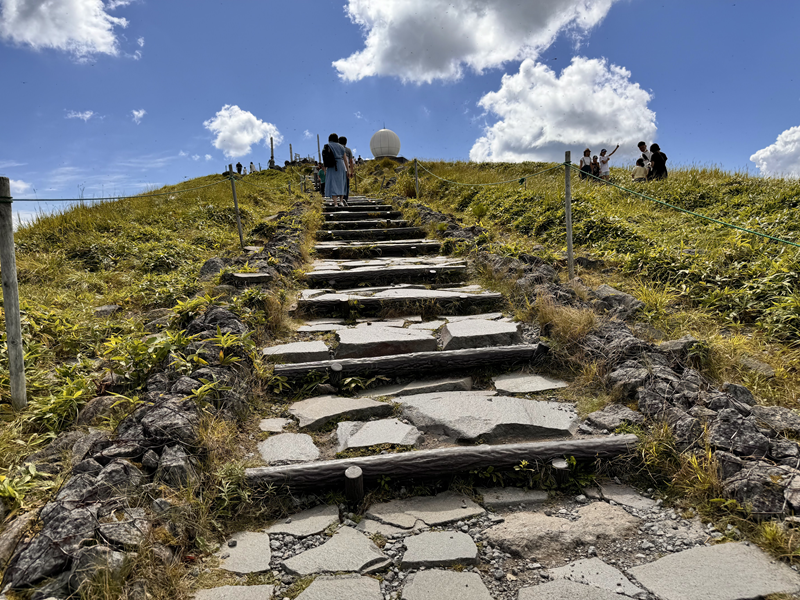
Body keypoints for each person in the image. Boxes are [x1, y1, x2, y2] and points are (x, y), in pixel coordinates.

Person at [324, 133, 349, 206]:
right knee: (341, 183)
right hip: (341, 165)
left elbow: (325, 159)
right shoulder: (341, 147)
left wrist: (325, 169)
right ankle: (341, 201)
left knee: (333, 184)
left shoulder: (328, 146)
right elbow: (345, 159)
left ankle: (335, 203)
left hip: (331, 166)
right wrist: (348, 170)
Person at [339, 136, 355, 202]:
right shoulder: (348, 150)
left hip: (338, 169)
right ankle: (345, 198)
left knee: (339, 184)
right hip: (346, 169)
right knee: (346, 184)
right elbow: (351, 161)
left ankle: (340, 198)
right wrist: (351, 171)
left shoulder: (337, 150)